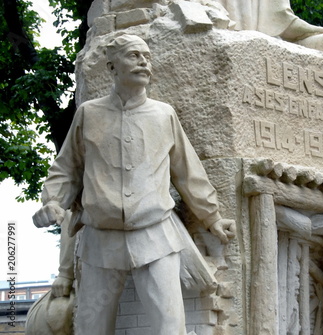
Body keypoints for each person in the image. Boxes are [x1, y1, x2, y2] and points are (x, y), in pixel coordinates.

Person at [32, 34, 236, 335]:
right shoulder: (88, 114)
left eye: (147, 57)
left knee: (170, 325)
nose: (144, 62)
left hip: (156, 236)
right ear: (112, 68)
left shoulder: (163, 115)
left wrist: (213, 217)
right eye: (134, 56)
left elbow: (187, 172)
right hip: (100, 241)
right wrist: (52, 201)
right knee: (92, 327)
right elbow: (66, 169)